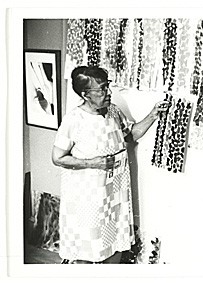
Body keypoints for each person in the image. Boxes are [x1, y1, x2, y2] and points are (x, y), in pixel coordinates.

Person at [52, 66, 169, 264]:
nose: (109, 92)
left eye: (108, 87)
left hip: (115, 192)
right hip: (89, 198)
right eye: (102, 89)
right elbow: (58, 158)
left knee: (116, 242)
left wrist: (153, 114)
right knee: (89, 249)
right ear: (85, 94)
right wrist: (93, 163)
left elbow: (130, 135)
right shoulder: (74, 120)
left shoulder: (113, 111)